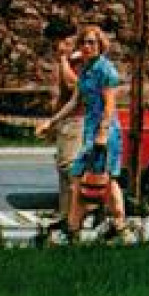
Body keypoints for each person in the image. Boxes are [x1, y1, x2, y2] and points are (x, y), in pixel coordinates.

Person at [37, 25, 131, 241]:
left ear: (100, 45)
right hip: (90, 131)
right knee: (80, 178)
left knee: (107, 180)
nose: (87, 46)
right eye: (84, 43)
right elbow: (74, 101)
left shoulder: (106, 70)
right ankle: (74, 227)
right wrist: (51, 122)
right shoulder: (87, 70)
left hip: (105, 132)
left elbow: (109, 105)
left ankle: (118, 225)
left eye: (92, 42)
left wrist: (103, 133)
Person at [43, 20, 86, 234]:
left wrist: (62, 59)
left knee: (70, 171)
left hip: (76, 121)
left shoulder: (77, 59)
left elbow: (72, 86)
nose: (53, 48)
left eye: (55, 43)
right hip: (65, 121)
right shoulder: (69, 59)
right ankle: (64, 214)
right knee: (63, 168)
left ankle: (73, 219)